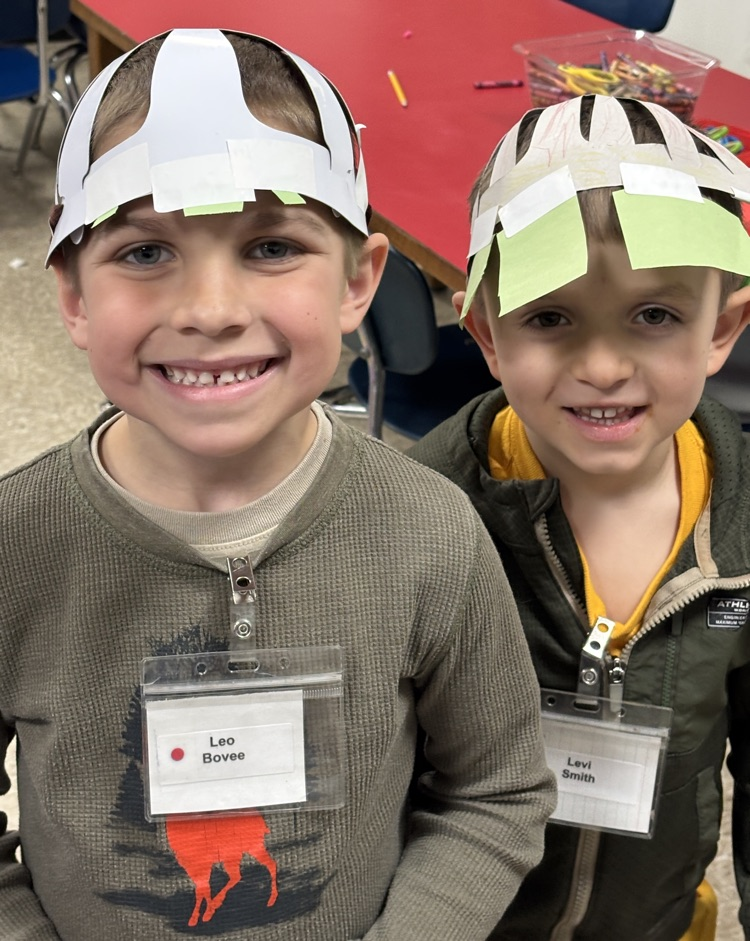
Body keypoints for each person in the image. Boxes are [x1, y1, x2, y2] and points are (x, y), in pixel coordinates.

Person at [0, 28, 556, 941]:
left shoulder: (428, 530)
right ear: (72, 297)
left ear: (358, 282)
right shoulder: (17, 540)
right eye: (144, 253)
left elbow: (496, 790)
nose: (212, 310)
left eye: (269, 247)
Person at [409, 92, 750, 941]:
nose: (603, 365)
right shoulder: (413, 517)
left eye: (656, 315)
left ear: (723, 328)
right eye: (551, 318)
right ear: (486, 333)